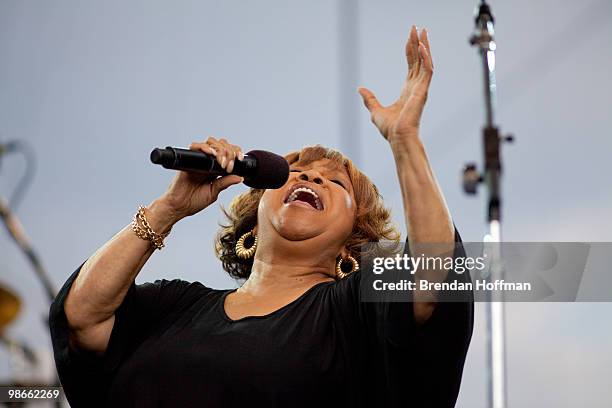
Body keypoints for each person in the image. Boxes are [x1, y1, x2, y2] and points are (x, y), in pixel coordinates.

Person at [49, 25, 473, 407]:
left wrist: (405, 141)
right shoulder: (174, 305)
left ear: (353, 241)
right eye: (297, 169)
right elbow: (81, 319)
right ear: (254, 213)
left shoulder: (352, 314)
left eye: (336, 182)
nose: (310, 176)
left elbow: (435, 276)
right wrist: (168, 209)